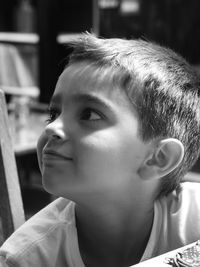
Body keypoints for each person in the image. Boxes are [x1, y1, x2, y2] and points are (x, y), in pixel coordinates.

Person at [1, 33, 200, 267]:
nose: (53, 127)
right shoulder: (25, 259)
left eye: (89, 114)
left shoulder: (193, 218)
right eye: (54, 114)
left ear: (158, 158)